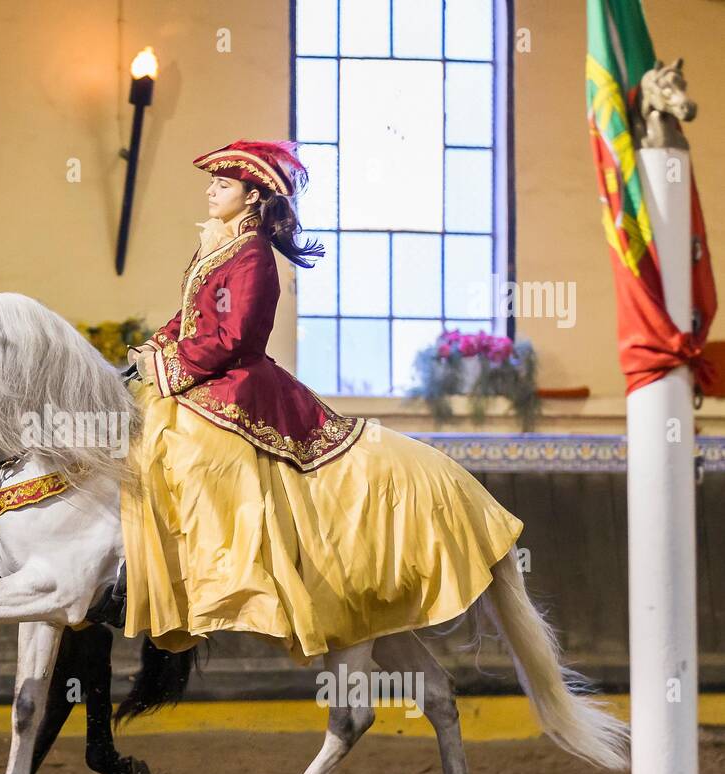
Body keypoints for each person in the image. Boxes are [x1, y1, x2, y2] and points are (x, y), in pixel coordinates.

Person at [122, 140, 523, 662]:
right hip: (200, 370)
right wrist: (157, 345)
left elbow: (238, 336)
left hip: (235, 380)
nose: (209, 191)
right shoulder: (215, 243)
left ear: (249, 197)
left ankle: (229, 575)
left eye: (221, 185)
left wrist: (173, 363)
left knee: (200, 455)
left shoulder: (253, 255)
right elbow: (190, 315)